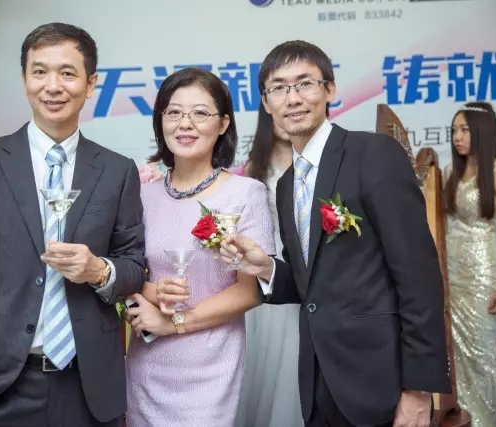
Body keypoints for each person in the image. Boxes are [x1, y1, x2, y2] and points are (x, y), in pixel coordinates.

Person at [219, 40, 451, 427]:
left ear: (329, 89)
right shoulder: (287, 184)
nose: (293, 98)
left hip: (382, 381)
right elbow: (310, 286)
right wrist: (265, 268)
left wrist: (418, 389)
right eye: (279, 88)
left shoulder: (373, 154)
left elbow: (419, 277)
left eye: (304, 83)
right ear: (266, 102)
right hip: (317, 382)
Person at [0, 23, 146, 427]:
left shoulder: (117, 171)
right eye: (40, 72)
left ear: (90, 84)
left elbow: (134, 266)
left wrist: (98, 270)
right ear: (24, 80)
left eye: (67, 73)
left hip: (89, 387)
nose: (53, 86)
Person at [123, 67, 276, 427]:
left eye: (200, 113)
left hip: (211, 370)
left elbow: (250, 292)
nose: (185, 124)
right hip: (146, 366)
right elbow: (123, 274)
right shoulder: (139, 196)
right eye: (174, 112)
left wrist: (174, 323)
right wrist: (146, 296)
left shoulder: (246, 194)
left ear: (223, 124)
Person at [443, 101, 496, 427]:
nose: (457, 137)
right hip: (451, 274)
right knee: (456, 357)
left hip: (481, 275)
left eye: (464, 130)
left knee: (480, 356)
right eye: (454, 131)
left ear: (482, 132)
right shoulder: (449, 172)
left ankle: (488, 422)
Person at [235, 103, 304, 427]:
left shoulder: (316, 164)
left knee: (296, 351)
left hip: (304, 264)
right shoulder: (253, 168)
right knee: (265, 355)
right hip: (266, 266)